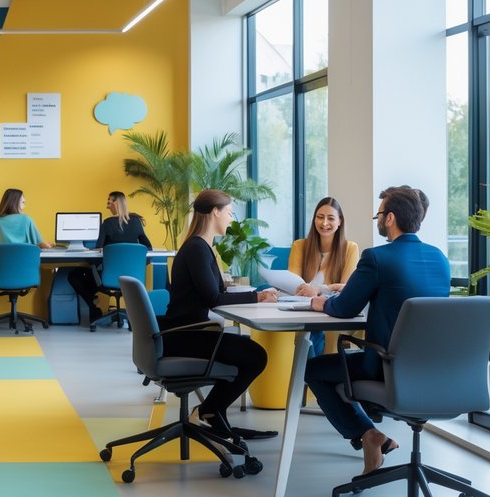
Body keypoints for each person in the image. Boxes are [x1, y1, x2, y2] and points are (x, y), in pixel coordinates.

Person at [306, 186, 451, 474]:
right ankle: (370, 434)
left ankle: (367, 433)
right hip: (434, 370)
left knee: (313, 370)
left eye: (379, 214)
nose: (378, 220)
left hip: (387, 367)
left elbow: (344, 308)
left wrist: (319, 301)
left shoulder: (376, 258)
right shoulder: (440, 259)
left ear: (390, 218)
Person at [158, 189, 279, 440]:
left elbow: (215, 292)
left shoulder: (200, 247)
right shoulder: (197, 249)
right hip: (186, 337)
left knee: (245, 349)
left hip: (186, 333)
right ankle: (210, 410)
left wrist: (249, 294)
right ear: (215, 212)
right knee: (255, 356)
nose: (231, 219)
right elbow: (213, 299)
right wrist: (257, 297)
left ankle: (214, 412)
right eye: (230, 213)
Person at [289, 196, 361, 357]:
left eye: (331, 218)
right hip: (303, 309)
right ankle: (309, 369)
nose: (324, 223)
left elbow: (346, 288)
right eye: (320, 217)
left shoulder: (350, 248)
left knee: (317, 334)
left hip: (330, 311)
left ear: (340, 221)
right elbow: (293, 283)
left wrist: (320, 289)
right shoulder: (300, 246)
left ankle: (313, 369)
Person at [67, 191, 153, 322]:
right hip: (133, 277)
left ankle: (94, 310)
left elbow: (98, 248)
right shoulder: (136, 222)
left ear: (116, 203)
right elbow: (148, 248)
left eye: (109, 202)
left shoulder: (107, 223)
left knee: (74, 276)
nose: (108, 206)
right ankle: (96, 305)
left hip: (109, 278)